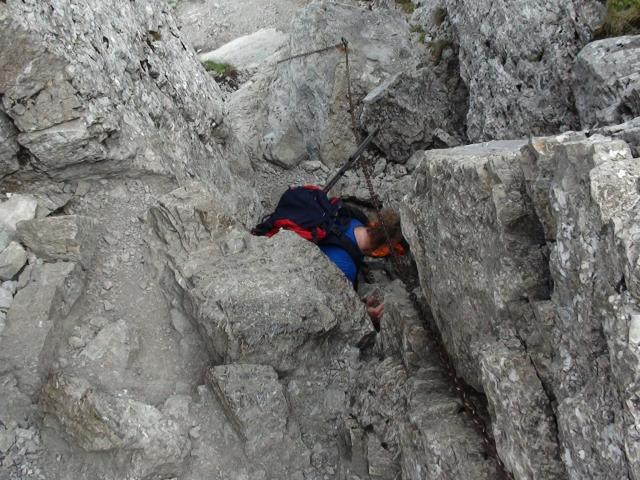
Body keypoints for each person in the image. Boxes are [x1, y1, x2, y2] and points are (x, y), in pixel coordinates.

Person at [318, 209, 404, 328]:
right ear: (383, 248)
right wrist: (365, 312)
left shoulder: (353, 219)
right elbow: (339, 307)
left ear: (374, 223)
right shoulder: (347, 268)